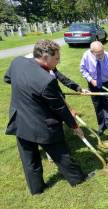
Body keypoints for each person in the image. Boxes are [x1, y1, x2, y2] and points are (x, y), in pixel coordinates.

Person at [4, 39, 87, 195]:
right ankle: (78, 179)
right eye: (56, 58)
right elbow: (60, 108)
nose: (58, 61)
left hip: (20, 122)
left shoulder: (17, 62)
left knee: (29, 160)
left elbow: (8, 79)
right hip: (43, 126)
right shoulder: (47, 80)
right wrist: (75, 126)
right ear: (45, 56)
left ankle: (36, 190)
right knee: (62, 155)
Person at [80, 41, 108, 139]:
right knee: (98, 106)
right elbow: (83, 69)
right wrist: (91, 80)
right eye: (98, 54)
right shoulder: (86, 56)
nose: (101, 55)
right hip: (93, 84)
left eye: (102, 52)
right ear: (92, 52)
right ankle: (101, 126)